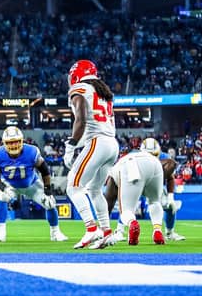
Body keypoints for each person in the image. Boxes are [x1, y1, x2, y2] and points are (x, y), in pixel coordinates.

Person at [63, 60, 119, 249]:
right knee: (94, 191)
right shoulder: (104, 92)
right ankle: (106, 232)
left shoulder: (79, 88)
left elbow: (81, 119)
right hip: (112, 143)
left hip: (98, 142)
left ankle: (91, 228)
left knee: (73, 186)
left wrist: (71, 145)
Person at [0, 126, 68, 242]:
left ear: (22, 141)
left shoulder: (31, 151)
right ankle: (0, 233)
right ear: (4, 143)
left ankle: (55, 233)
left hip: (32, 184)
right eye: (10, 142)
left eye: (16, 141)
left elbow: (44, 170)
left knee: (50, 202)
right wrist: (3, 188)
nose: (14, 145)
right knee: (2, 197)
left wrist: (47, 188)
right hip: (10, 185)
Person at [112, 138, 185, 242]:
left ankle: (169, 232)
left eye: (154, 155)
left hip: (153, 183)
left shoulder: (164, 157)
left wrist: (170, 197)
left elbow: (170, 177)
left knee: (169, 206)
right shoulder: (135, 156)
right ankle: (119, 231)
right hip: (138, 181)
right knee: (128, 206)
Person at [104, 138, 166, 245]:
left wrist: (103, 224)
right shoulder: (155, 157)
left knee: (126, 210)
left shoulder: (118, 165)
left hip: (131, 165)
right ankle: (157, 231)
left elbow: (108, 200)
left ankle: (132, 224)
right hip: (156, 164)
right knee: (155, 201)